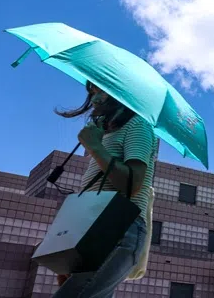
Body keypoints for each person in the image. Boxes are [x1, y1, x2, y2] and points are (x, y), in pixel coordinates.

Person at [51, 81, 158, 298]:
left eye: (102, 91)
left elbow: (132, 185)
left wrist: (95, 147)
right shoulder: (108, 134)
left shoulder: (138, 125)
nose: (96, 99)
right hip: (92, 225)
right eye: (92, 92)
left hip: (119, 224)